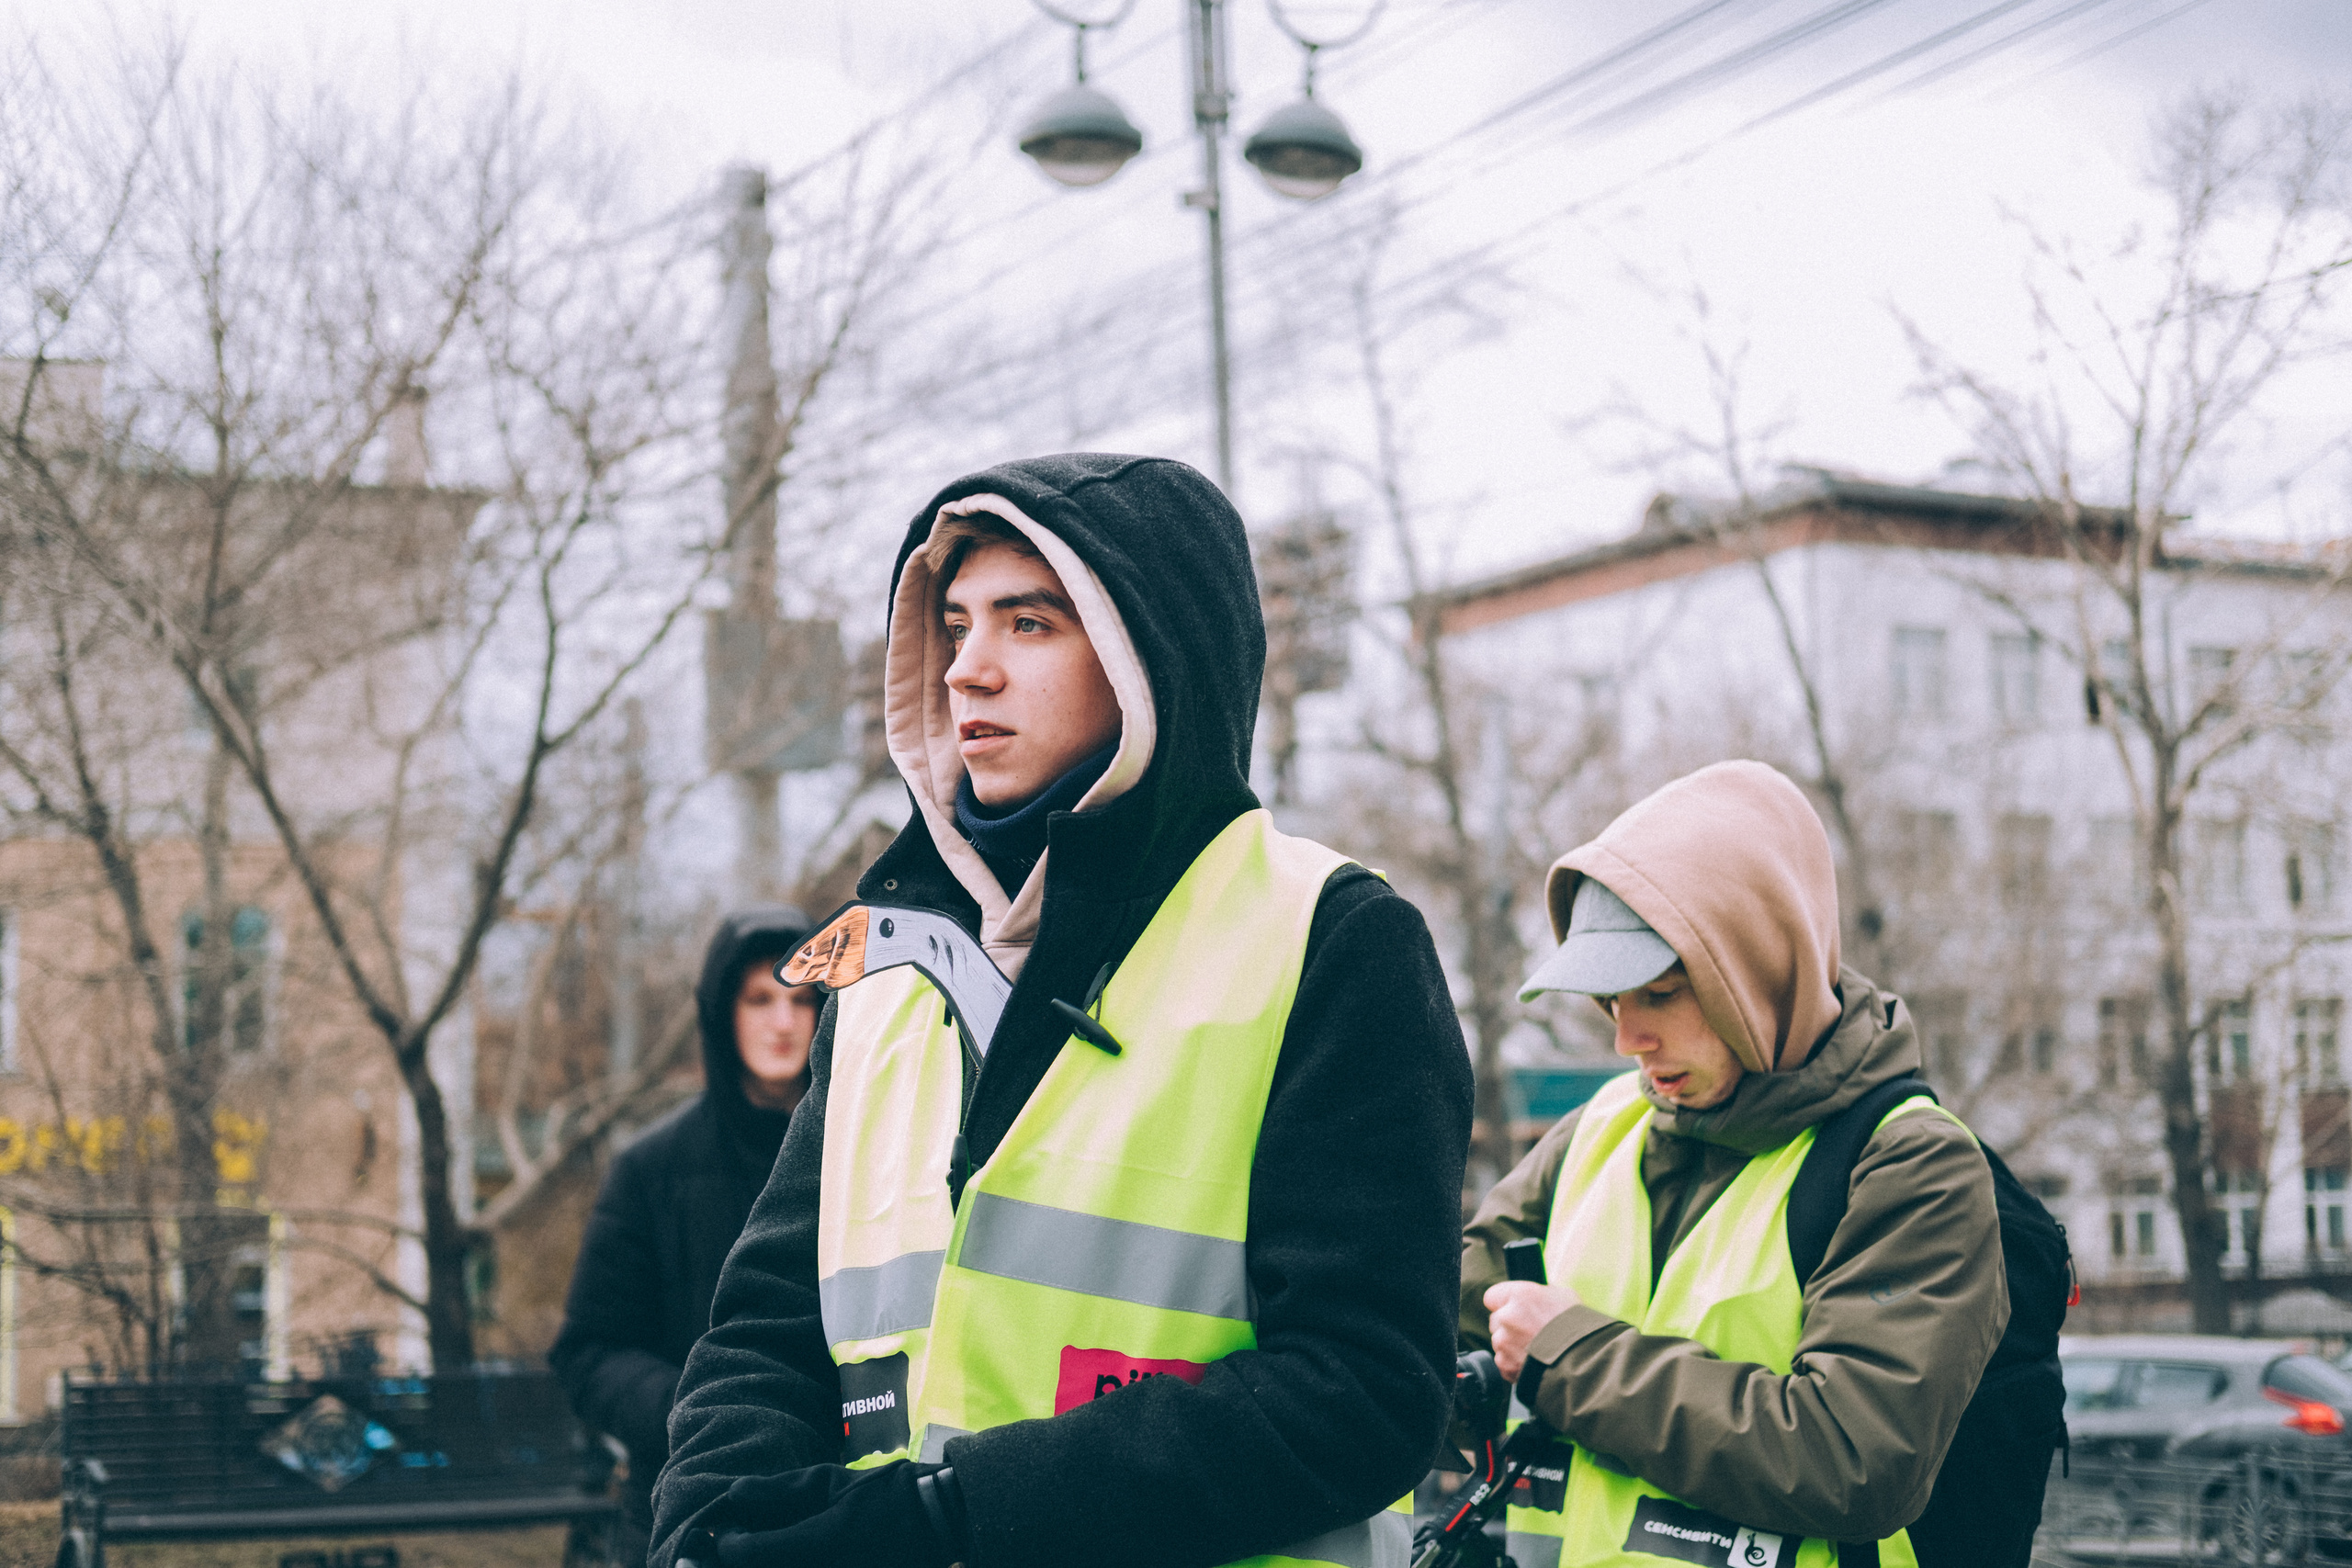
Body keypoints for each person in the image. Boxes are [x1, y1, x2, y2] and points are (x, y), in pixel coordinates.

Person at [649, 453, 1474, 1568]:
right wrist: (707, 1523)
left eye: (1029, 624)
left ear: (1152, 658)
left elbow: (1363, 1392)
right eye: (954, 626)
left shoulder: (1335, 941)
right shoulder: (886, 964)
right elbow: (766, 1329)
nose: (967, 671)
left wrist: (955, 1517)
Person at [1462, 761, 2008, 1568]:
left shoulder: (1910, 1163)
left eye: (1662, 993)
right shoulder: (1603, 1126)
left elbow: (1854, 1459)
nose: (1627, 1039)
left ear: (1758, 969)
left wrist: (1572, 1357)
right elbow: (1436, 1327)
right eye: (1612, 1002)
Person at [550, 906, 820, 1551]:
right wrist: (696, 1413)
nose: (782, 1022)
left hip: (833, 1501)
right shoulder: (651, 1168)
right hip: (686, 1512)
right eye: (759, 998)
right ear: (721, 1011)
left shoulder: (867, 1151)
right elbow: (588, 1353)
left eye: (802, 998)